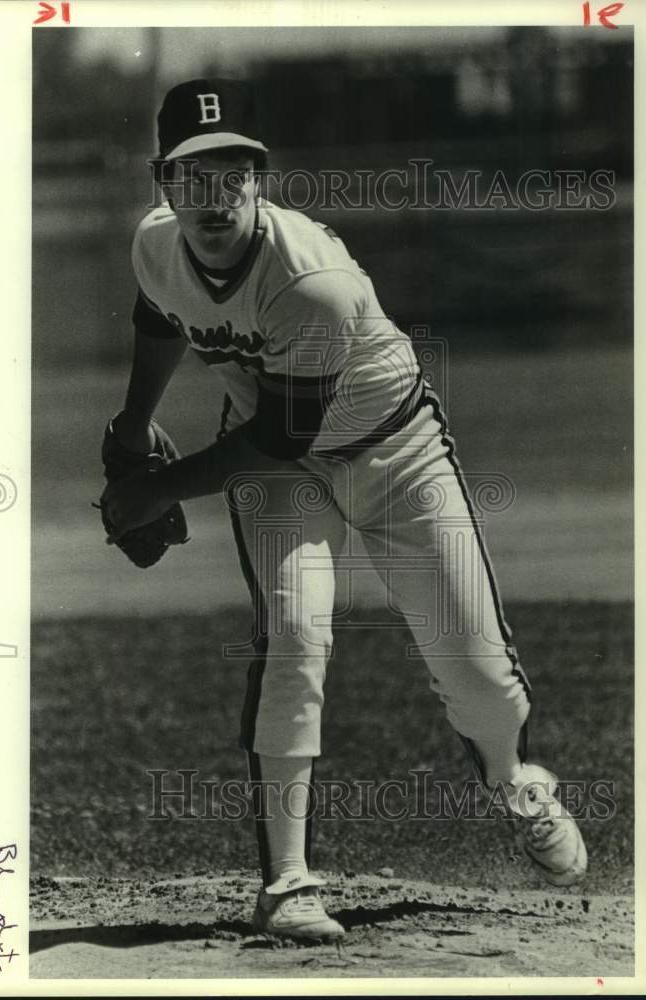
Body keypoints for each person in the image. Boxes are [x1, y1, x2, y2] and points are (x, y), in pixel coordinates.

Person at [103, 78, 588, 942]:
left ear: (258, 178)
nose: (212, 195)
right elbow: (161, 313)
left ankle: (514, 778)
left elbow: (282, 437)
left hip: (395, 452)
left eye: (230, 173)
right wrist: (133, 427)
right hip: (279, 465)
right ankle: (287, 884)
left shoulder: (311, 281)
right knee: (293, 633)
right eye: (190, 176)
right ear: (161, 184)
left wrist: (152, 489)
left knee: (478, 679)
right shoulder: (155, 246)